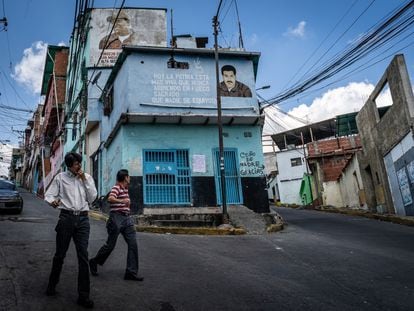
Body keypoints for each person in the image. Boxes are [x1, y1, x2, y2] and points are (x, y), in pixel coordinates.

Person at [45, 152, 97, 309]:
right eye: (76, 164)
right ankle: (51, 286)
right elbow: (49, 195)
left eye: (80, 163)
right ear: (69, 165)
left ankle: (83, 296)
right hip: (66, 218)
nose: (79, 166)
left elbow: (92, 197)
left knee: (83, 256)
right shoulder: (61, 178)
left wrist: (84, 180)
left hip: (83, 219)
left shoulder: (86, 177)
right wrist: (52, 201)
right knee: (60, 255)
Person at [89, 169, 143, 281]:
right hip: (116, 218)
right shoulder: (116, 187)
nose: (130, 178)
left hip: (126, 218)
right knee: (110, 245)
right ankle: (94, 261)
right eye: (129, 176)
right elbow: (110, 198)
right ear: (125, 177)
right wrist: (122, 201)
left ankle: (131, 272)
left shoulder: (125, 188)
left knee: (133, 243)